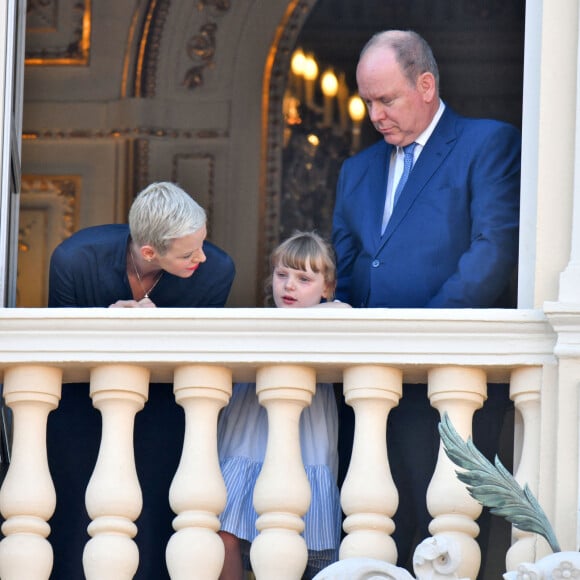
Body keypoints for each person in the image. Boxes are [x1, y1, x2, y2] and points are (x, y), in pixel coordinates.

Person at [331, 30, 520, 571]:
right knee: (367, 539)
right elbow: (343, 273)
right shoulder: (356, 171)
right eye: (367, 101)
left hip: (448, 377)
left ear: (426, 85)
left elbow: (492, 254)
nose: (374, 114)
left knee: (440, 542)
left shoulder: (488, 144)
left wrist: (418, 337)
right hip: (365, 385)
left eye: (386, 99)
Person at [47, 181, 236, 579]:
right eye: (188, 252)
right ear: (149, 251)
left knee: (157, 516)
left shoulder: (216, 270)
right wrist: (106, 327)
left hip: (164, 411)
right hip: (81, 409)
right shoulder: (74, 260)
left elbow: (198, 353)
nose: (201, 256)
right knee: (75, 517)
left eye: (202, 243)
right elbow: (57, 348)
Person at [216, 231, 350, 580]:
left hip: (302, 437)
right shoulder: (258, 324)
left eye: (304, 279)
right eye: (282, 275)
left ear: (327, 288)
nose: (289, 286)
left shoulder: (334, 317)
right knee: (224, 529)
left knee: (288, 537)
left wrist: (327, 310)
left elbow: (343, 316)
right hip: (246, 432)